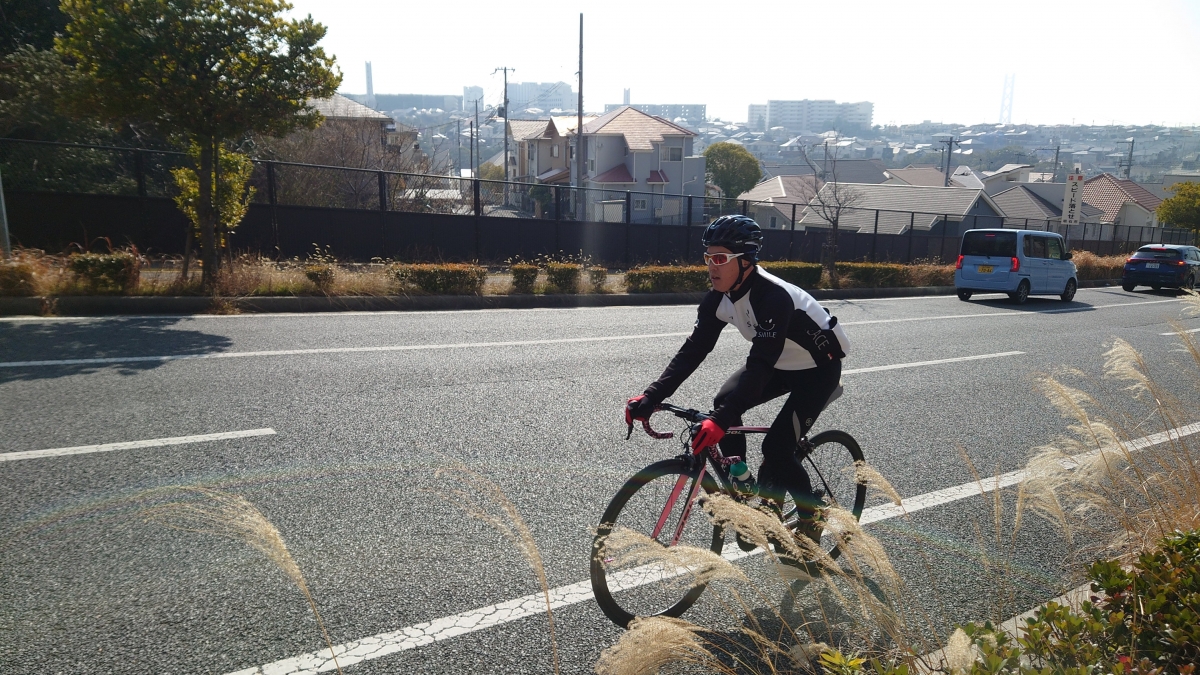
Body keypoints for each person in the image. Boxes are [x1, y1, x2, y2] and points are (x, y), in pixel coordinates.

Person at [624, 215, 849, 549]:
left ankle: (812, 515)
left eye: (720, 259)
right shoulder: (719, 298)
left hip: (818, 369)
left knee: (776, 446)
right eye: (707, 258)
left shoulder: (773, 297)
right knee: (724, 403)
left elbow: (759, 367)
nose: (711, 267)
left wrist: (720, 422)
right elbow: (693, 350)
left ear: (745, 261)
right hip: (779, 363)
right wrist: (651, 395)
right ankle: (745, 487)